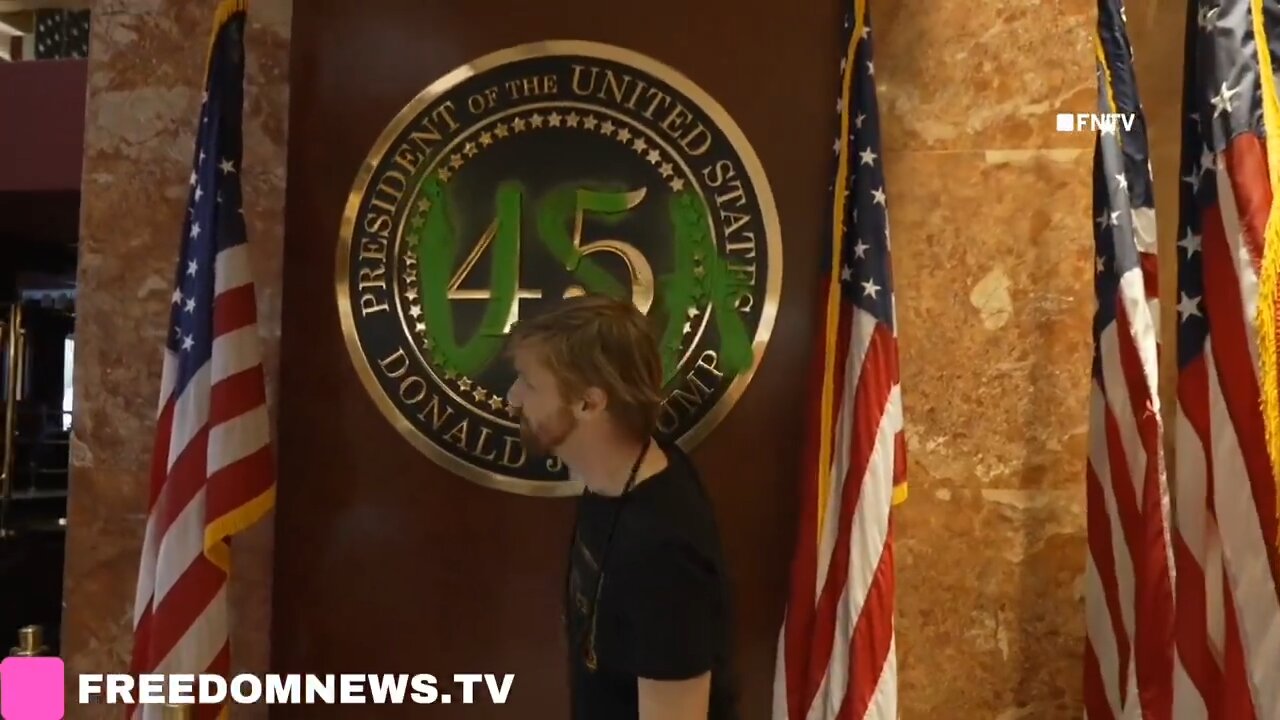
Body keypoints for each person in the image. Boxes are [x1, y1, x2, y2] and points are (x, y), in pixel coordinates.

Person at [504, 293, 739, 720]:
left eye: (529, 383)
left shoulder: (663, 556)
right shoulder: (615, 475)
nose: (513, 398)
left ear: (589, 403)